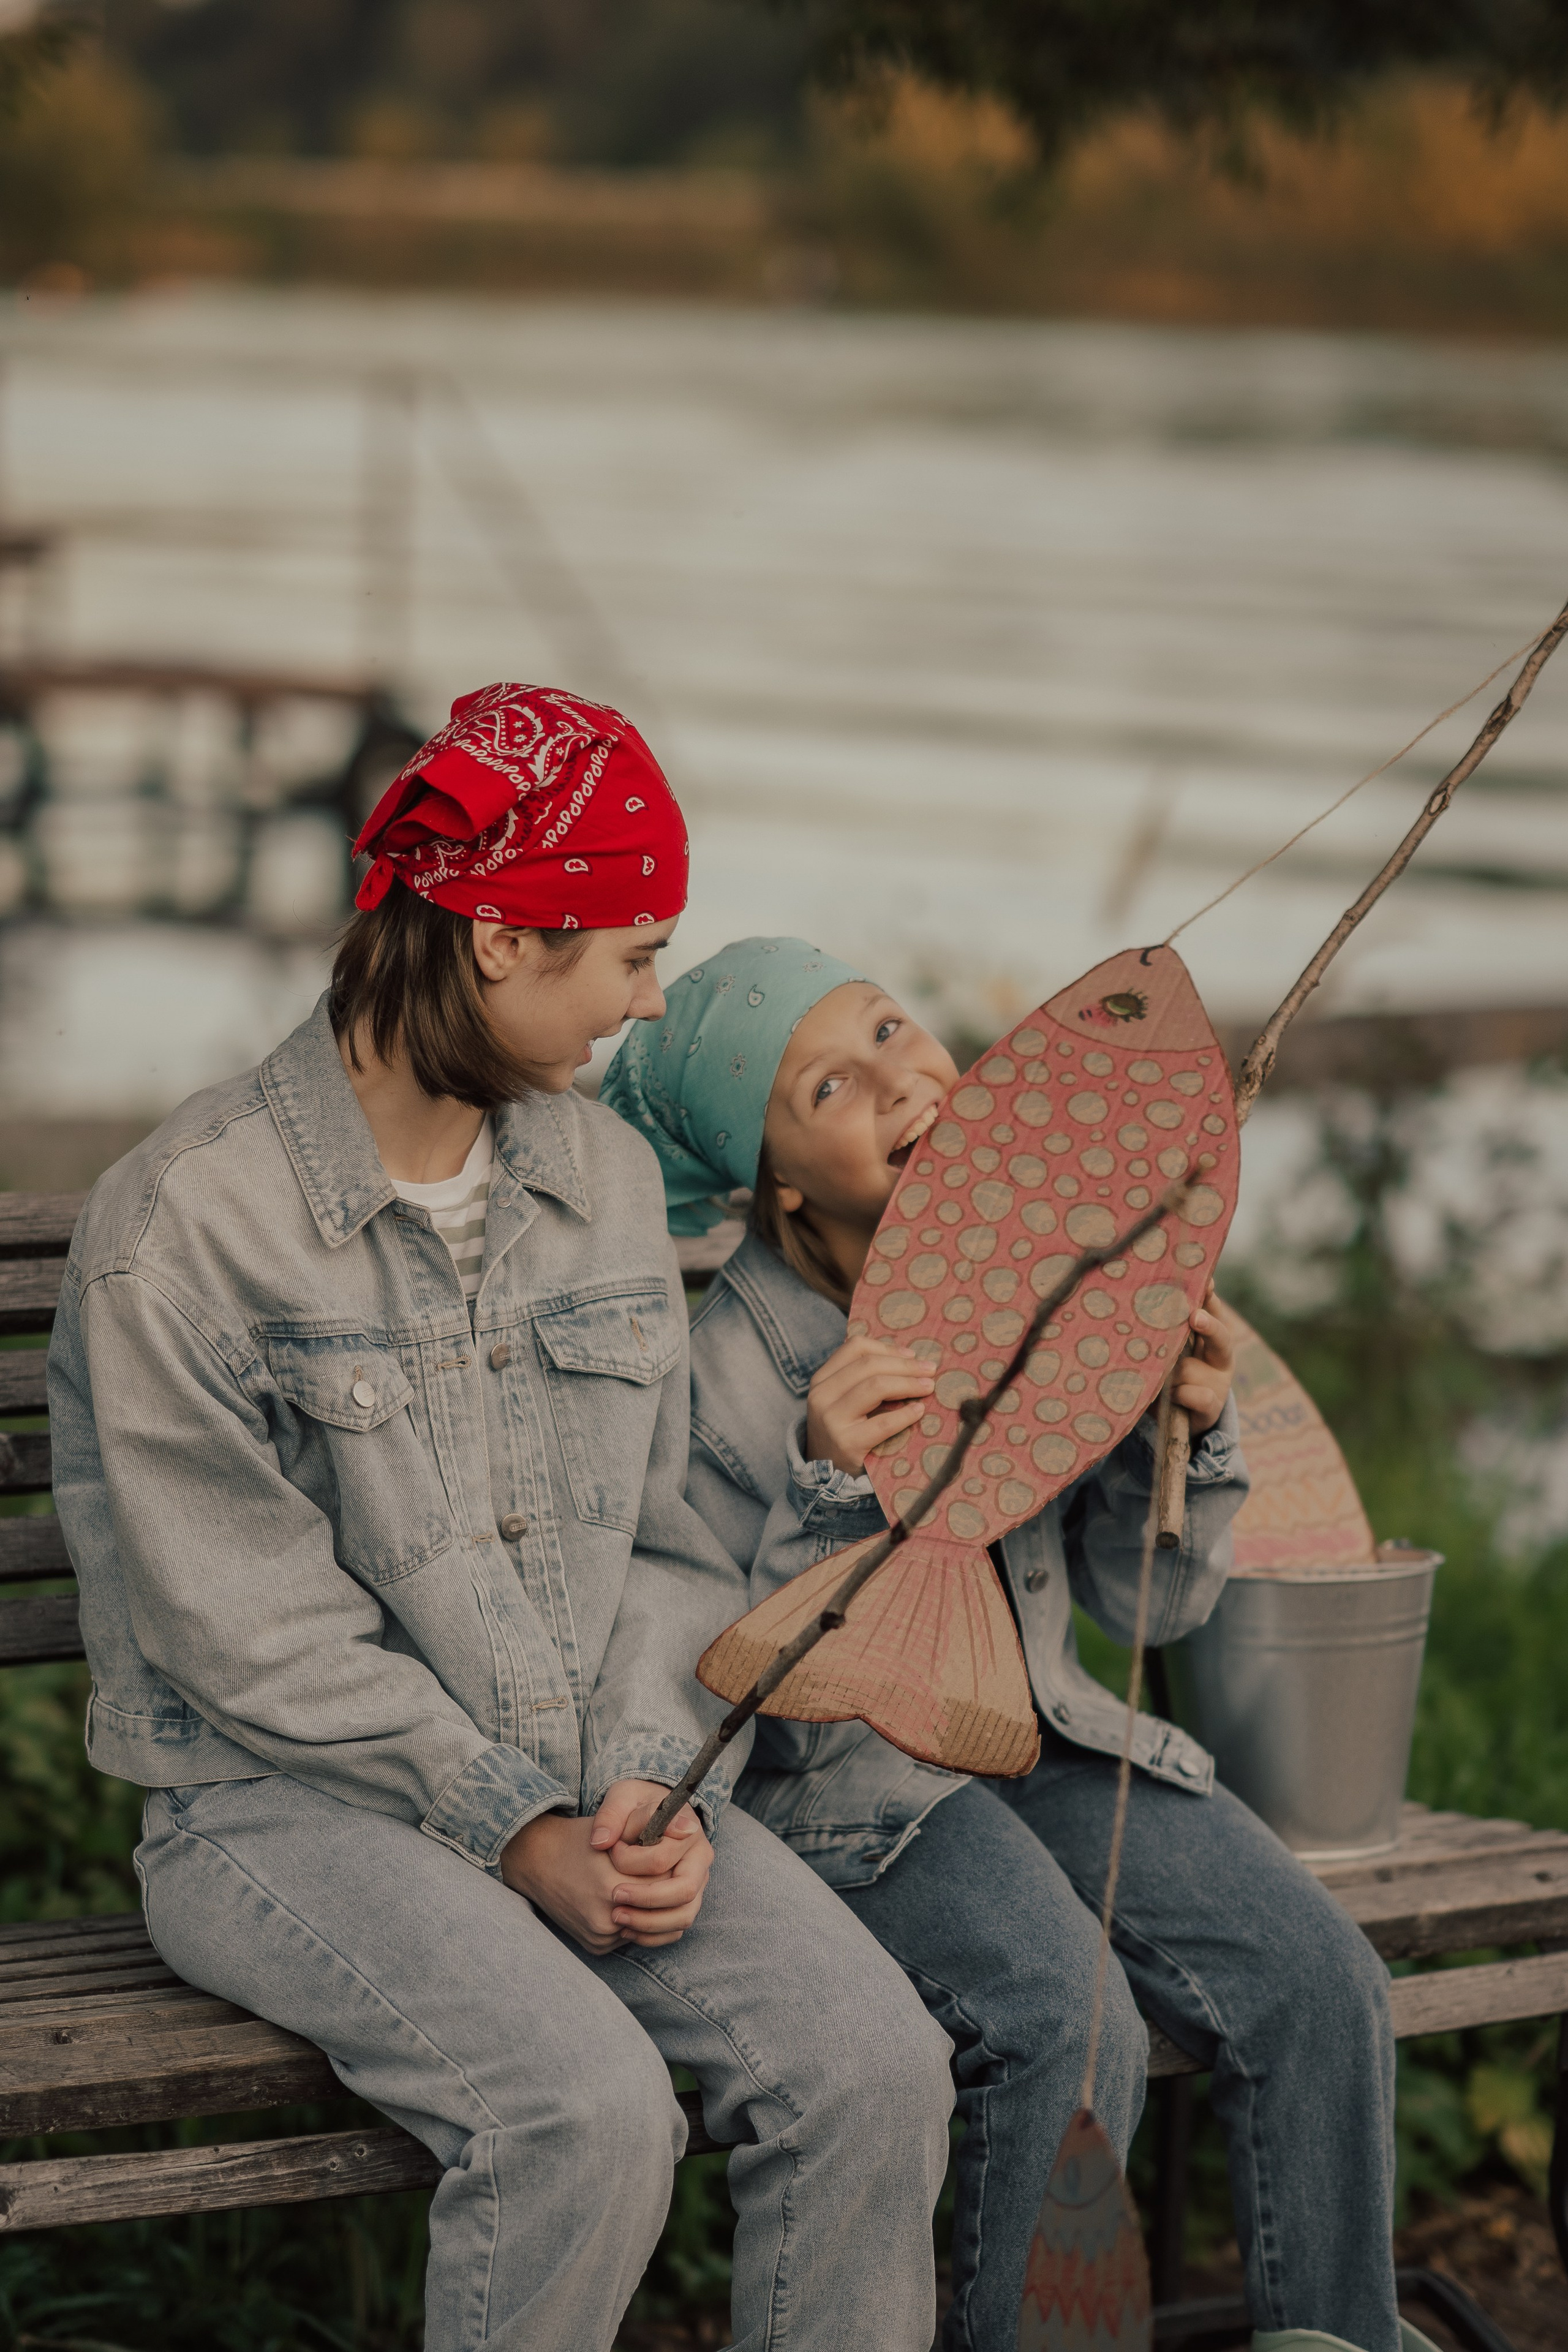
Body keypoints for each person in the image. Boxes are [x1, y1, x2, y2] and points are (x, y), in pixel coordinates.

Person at [48, 705, 954, 2352]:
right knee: (587, 2114)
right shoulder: (184, 1225)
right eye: (627, 957)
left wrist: (643, 1772)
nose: (651, 1004)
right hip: (275, 1808)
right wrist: (513, 1823)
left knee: (875, 2064)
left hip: (589, 1774)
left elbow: (666, 1543)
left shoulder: (601, 1179)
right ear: (499, 941)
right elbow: (244, 1639)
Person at [603, 936, 1427, 2352]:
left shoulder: (1034, 1269)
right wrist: (826, 1486)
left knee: (1319, 1978)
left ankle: (1337, 2333)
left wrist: (1184, 1431)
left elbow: (1149, 1610)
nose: (898, 1079)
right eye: (828, 1084)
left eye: (892, 1030)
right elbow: (779, 1727)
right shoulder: (729, 1372)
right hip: (854, 1792)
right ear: (776, 1175)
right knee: (1070, 2016)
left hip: (1040, 1735)